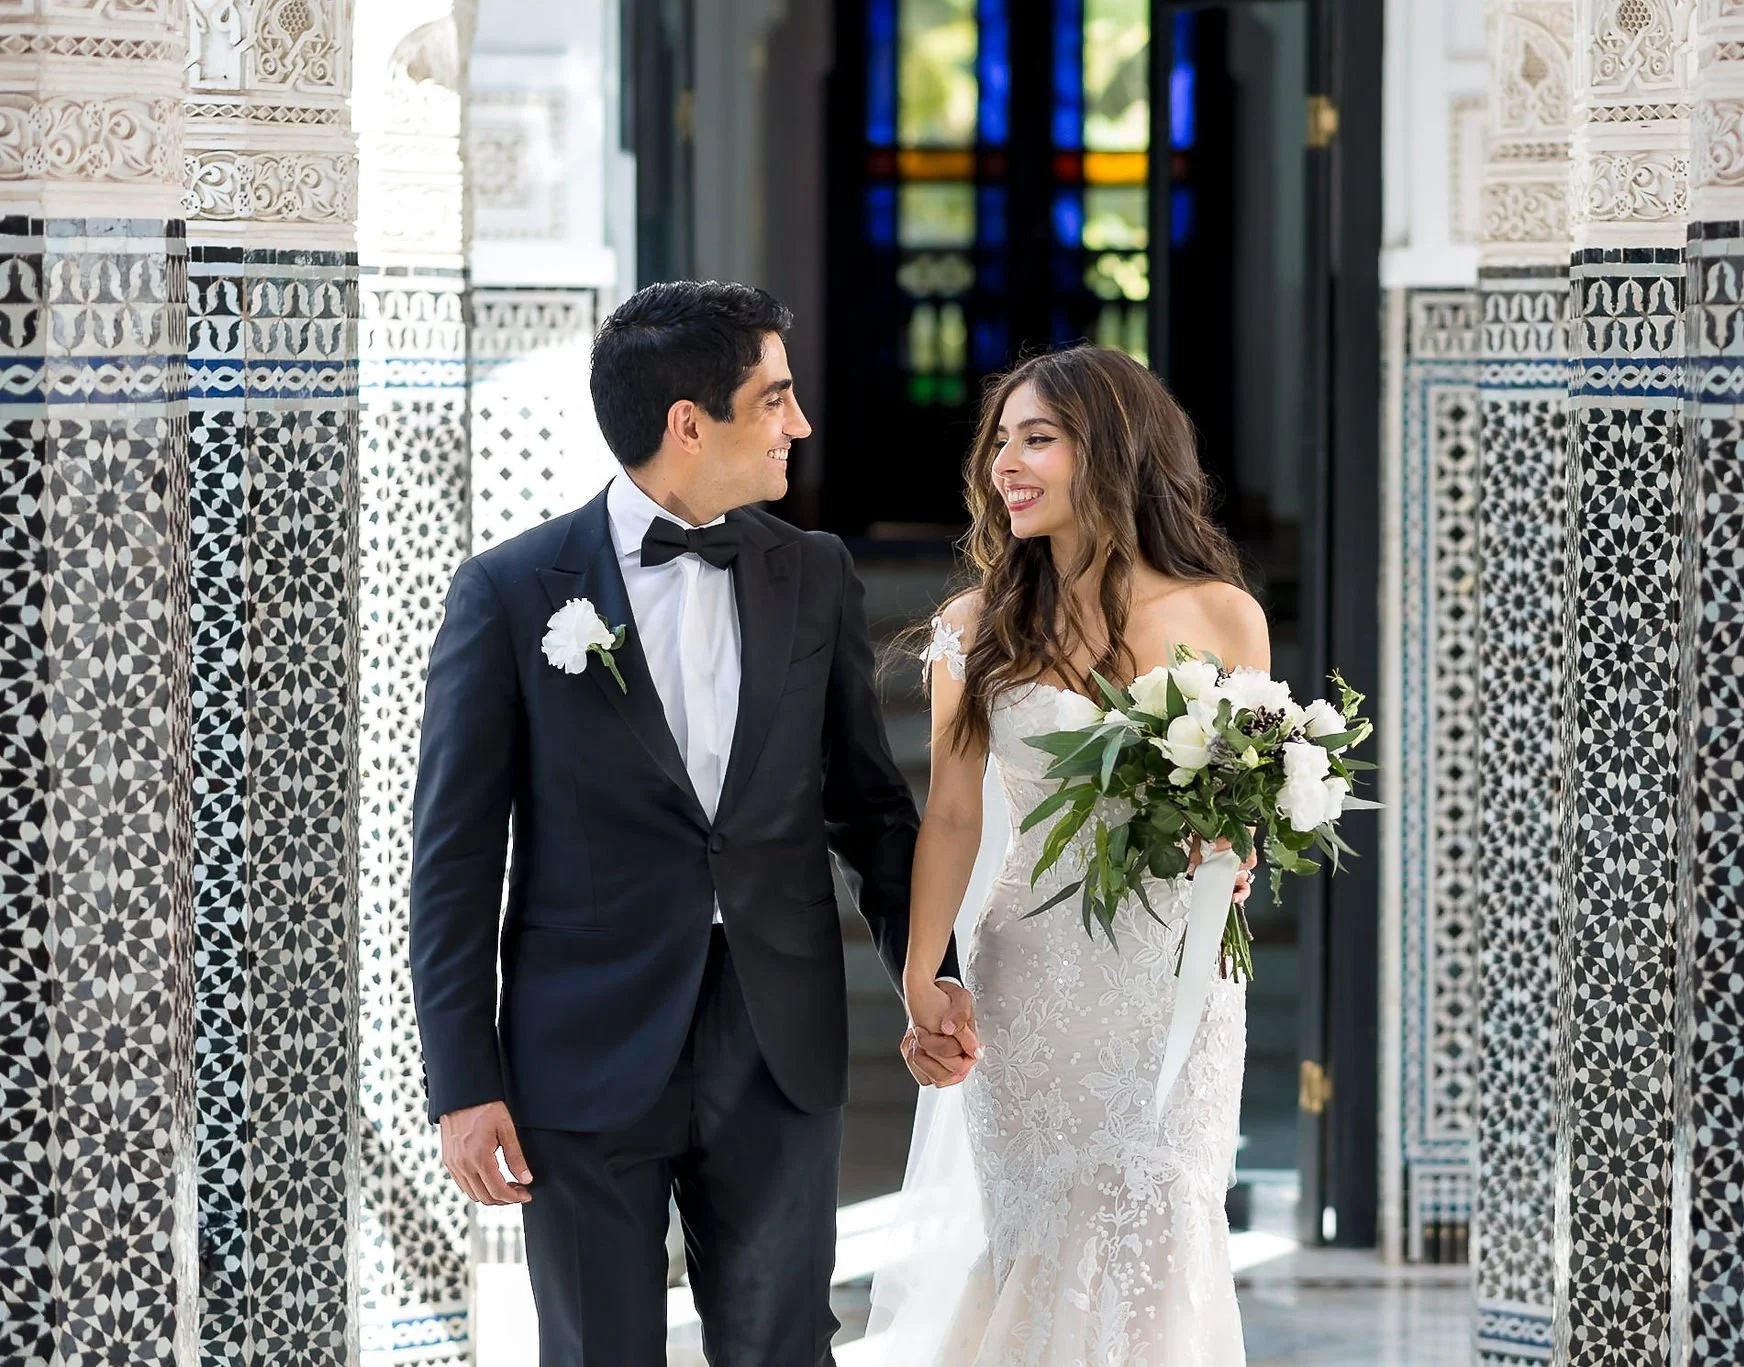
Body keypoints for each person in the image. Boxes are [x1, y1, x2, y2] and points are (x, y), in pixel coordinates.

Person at [407, 280, 978, 1366]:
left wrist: (928, 969)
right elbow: (454, 859)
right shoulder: (512, 590)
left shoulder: (812, 574)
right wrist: (462, 1081)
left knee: (779, 1346)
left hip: (776, 1037)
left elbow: (869, 807)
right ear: (687, 423)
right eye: (774, 400)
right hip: (580, 1051)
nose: (798, 426)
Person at [885, 345, 1263, 1364]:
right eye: (999, 440)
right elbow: (954, 817)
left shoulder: (1223, 614)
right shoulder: (975, 629)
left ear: (1113, 449)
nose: (1006, 461)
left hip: (1176, 979)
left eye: (1036, 438)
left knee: (1166, 1219)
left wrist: (1235, 847)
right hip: (1033, 978)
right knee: (1042, 1238)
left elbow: (1239, 799)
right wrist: (926, 975)